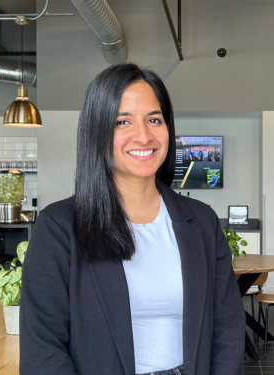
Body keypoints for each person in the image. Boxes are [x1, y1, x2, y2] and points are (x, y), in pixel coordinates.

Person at [20, 64, 244, 375]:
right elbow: (42, 348)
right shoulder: (59, 228)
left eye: (154, 119)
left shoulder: (202, 222)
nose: (143, 136)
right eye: (122, 122)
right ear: (97, 132)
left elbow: (227, 326)